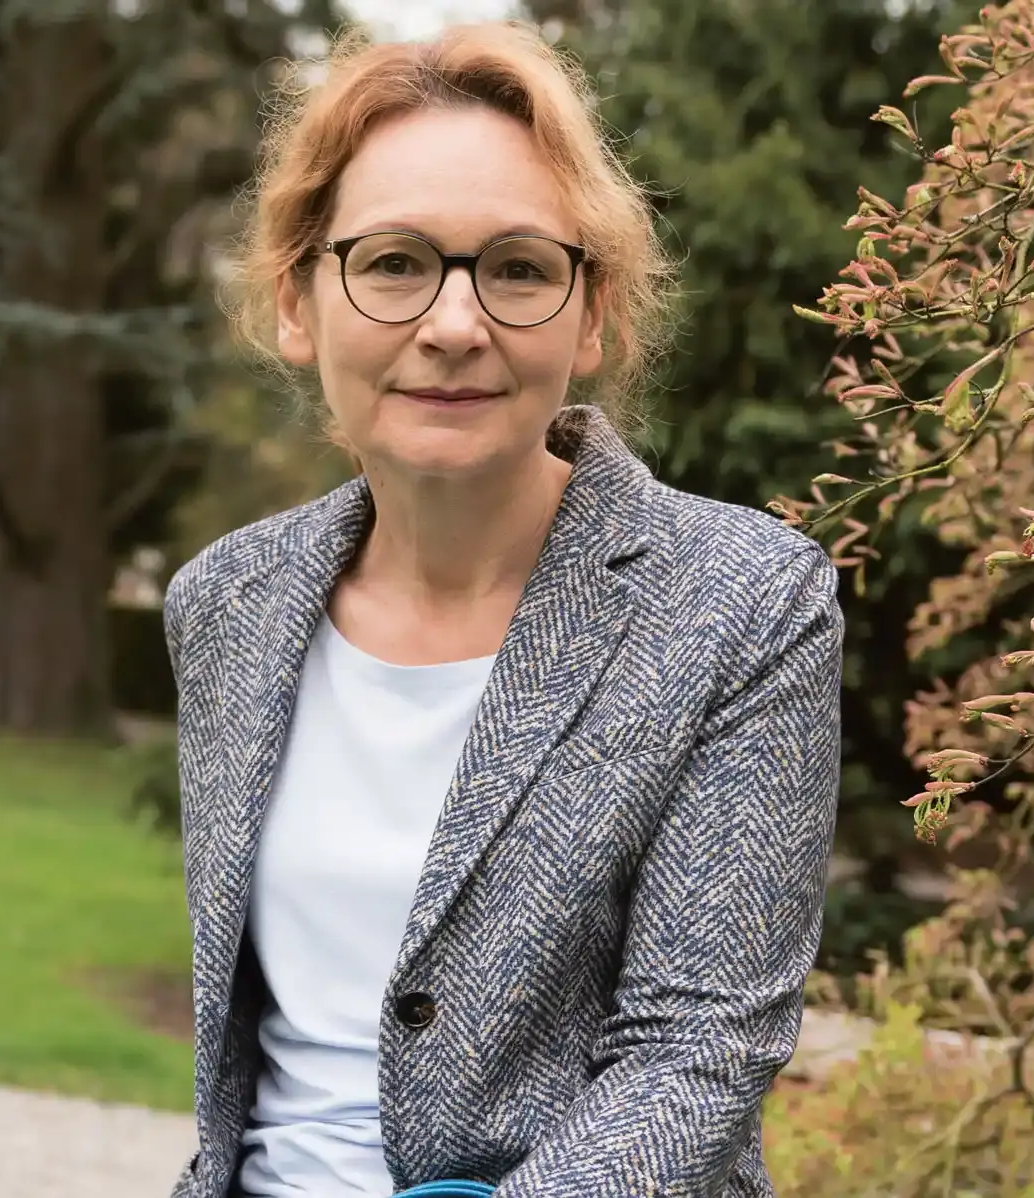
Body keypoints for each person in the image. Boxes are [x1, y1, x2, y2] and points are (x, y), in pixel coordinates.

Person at [160, 20, 844, 1198]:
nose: (454, 325)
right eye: (394, 262)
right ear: (296, 301)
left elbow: (693, 1056)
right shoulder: (225, 603)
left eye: (519, 269)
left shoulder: (743, 603)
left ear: (592, 315)